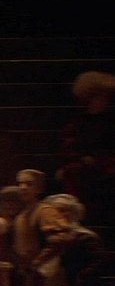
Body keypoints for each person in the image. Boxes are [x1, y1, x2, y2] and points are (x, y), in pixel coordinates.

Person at [57, 71, 115, 225]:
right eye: (98, 97)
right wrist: (81, 159)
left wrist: (99, 160)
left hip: (106, 173)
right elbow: (69, 148)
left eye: (105, 97)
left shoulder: (111, 122)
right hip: (83, 173)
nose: (102, 101)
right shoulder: (77, 123)